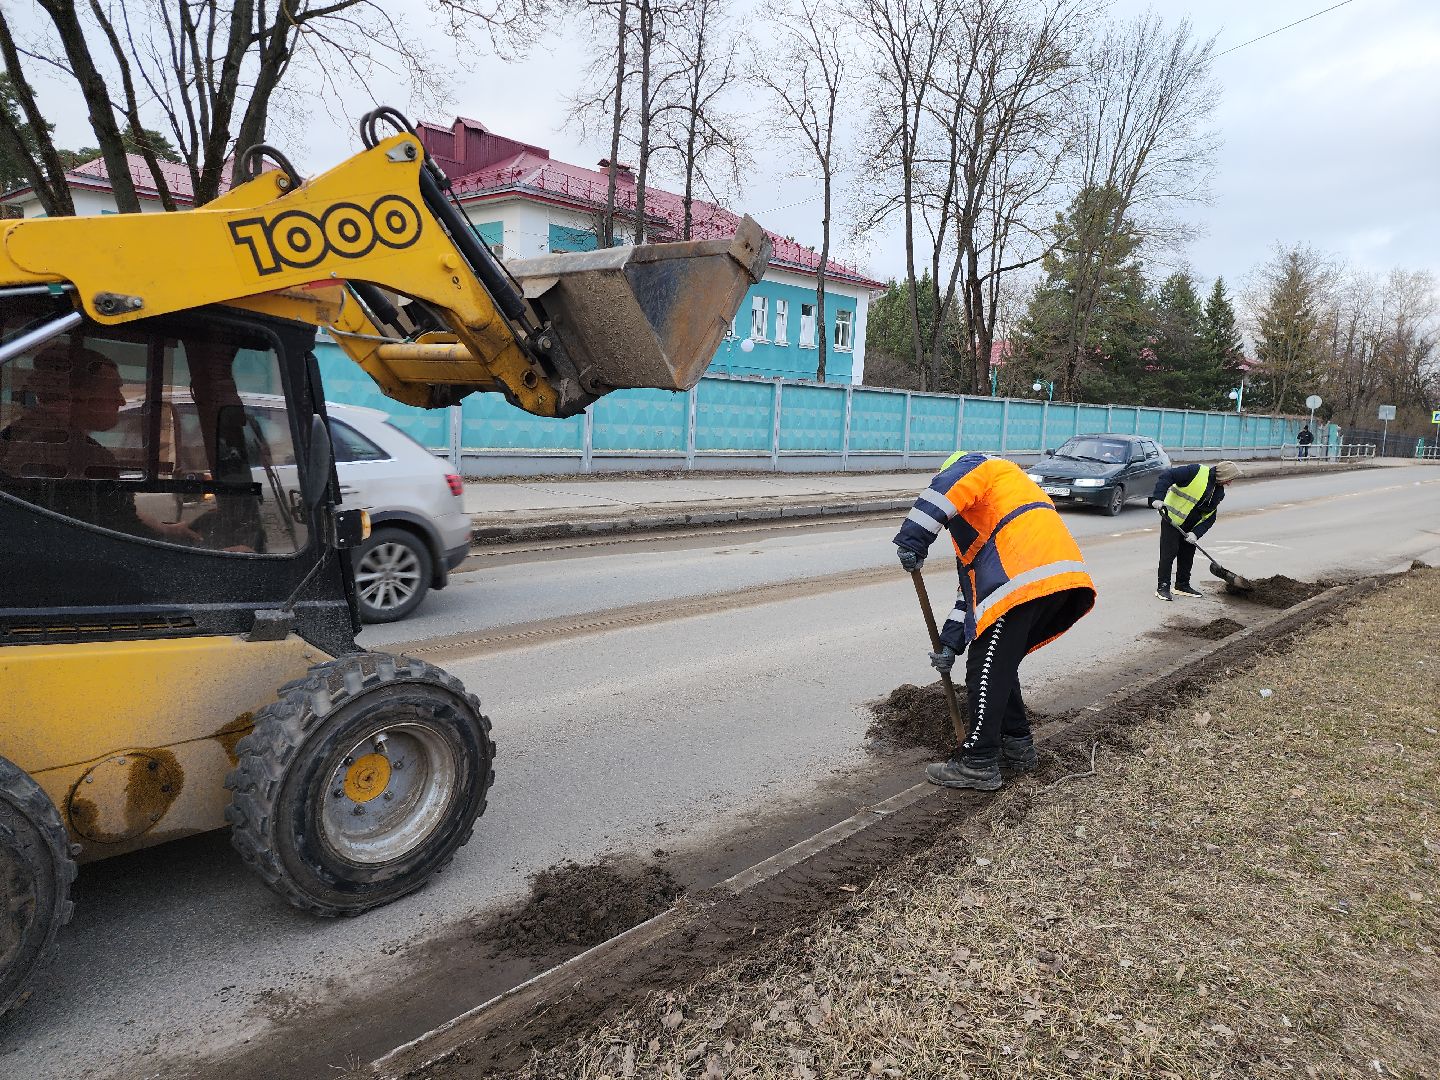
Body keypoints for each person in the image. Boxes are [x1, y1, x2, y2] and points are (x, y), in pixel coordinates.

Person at [894, 451, 1096, 792]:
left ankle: (978, 761)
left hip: (1024, 580)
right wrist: (949, 644)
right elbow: (973, 593)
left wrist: (912, 540)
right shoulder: (998, 514)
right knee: (998, 665)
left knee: (983, 668)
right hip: (1052, 581)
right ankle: (1018, 745)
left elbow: (941, 491)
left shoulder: (978, 466)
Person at [0, 343, 201, 544]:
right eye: (114, 390)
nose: (121, 401)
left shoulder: (15, 435)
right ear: (78, 395)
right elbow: (120, 532)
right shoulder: (83, 455)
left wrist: (164, 529)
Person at [1148, 459, 1241, 601]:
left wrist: (1196, 533)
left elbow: (1209, 517)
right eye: (1229, 479)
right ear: (1222, 475)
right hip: (1171, 519)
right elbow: (1167, 476)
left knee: (1187, 554)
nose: (1229, 483)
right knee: (1169, 553)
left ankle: (1182, 585)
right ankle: (1163, 587)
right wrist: (1158, 498)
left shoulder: (1218, 493)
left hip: (1190, 527)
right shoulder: (1195, 471)